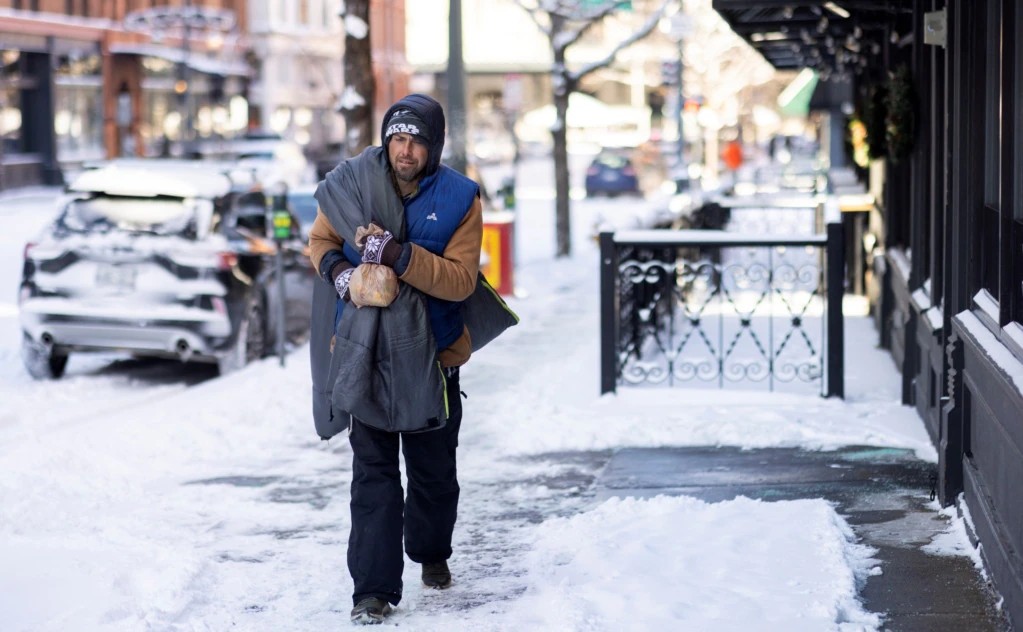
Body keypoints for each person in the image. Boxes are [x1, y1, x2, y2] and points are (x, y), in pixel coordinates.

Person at [307, 93, 484, 625]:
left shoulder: (459, 198)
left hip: (432, 359)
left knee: (433, 476)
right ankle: (373, 590)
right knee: (373, 476)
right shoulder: (352, 183)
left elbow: (459, 281)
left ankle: (431, 552)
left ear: (434, 146)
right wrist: (341, 274)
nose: (405, 150)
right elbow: (320, 242)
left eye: (417, 141)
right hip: (367, 353)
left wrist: (399, 257)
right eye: (398, 138)